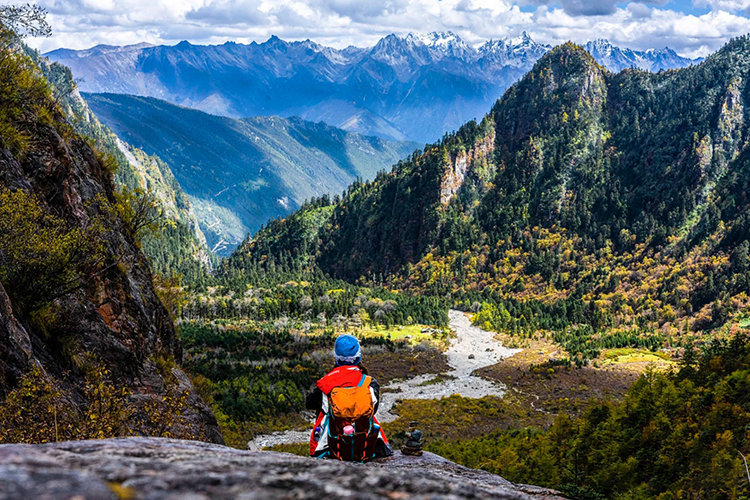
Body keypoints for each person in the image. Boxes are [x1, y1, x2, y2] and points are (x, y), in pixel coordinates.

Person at [305, 334, 393, 461]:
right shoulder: (370, 383)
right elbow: (374, 409)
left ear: (336, 357)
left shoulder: (325, 385)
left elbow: (309, 403)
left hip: (329, 445)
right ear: (358, 356)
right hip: (366, 442)